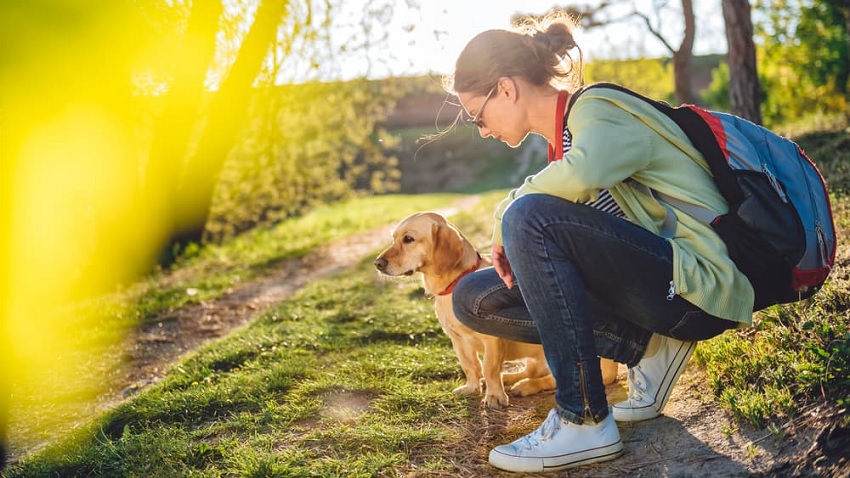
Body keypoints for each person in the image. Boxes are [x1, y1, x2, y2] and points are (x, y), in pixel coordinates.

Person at [444, 11, 754, 474]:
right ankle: (646, 347)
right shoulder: (562, 146)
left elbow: (581, 174)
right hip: (657, 287)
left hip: (701, 281)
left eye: (477, 116)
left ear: (505, 89)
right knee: (475, 298)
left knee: (530, 216)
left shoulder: (597, 109)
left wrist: (508, 213)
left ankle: (583, 417)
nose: (483, 130)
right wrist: (510, 217)